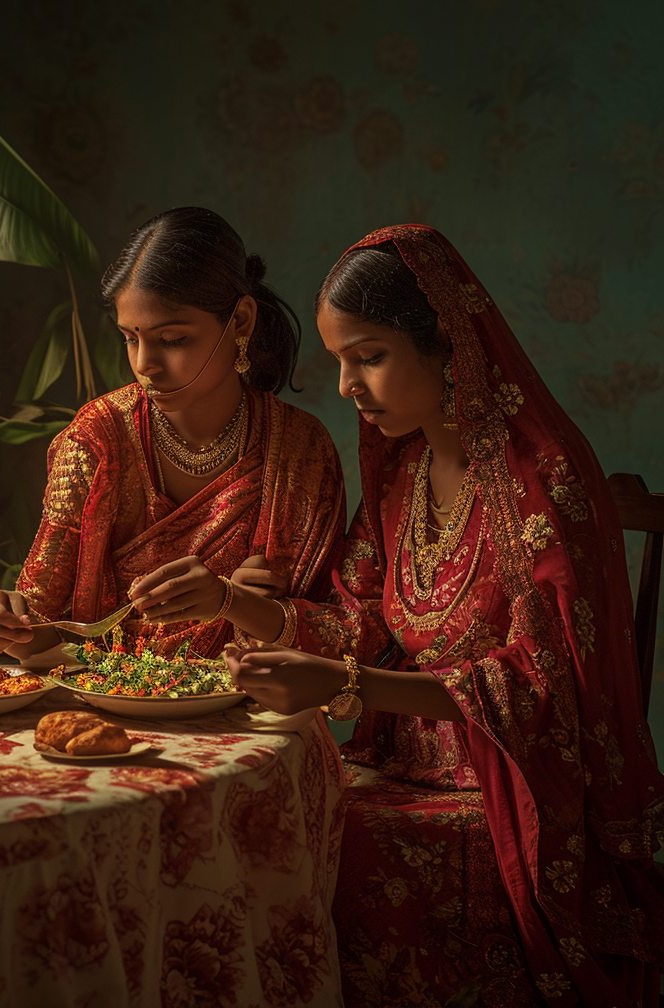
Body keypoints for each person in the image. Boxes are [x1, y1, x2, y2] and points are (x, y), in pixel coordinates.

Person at [225, 225, 664, 1007]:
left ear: (448, 348)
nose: (346, 387)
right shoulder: (404, 470)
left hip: (509, 788)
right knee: (266, 818)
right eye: (337, 362)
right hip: (399, 763)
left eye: (370, 356)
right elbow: (357, 620)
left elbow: (541, 690)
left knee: (338, 840)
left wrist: (347, 685)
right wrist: (233, 604)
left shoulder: (541, 482)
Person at [0, 206, 345, 659]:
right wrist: (6, 622)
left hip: (254, 718)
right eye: (130, 337)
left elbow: (340, 640)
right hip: (109, 707)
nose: (144, 364)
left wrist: (240, 606)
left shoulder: (301, 451)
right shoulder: (96, 440)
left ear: (241, 322)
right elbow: (43, 622)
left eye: (171, 340)